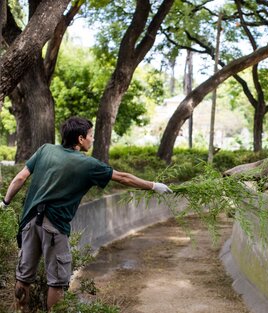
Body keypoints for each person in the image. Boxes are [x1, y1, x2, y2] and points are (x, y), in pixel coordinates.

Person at [0, 117, 172, 312]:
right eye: (91, 135)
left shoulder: (45, 149)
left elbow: (20, 177)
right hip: (54, 227)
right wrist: (153, 186)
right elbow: (123, 177)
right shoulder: (88, 164)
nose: (93, 139)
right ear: (80, 139)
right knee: (56, 282)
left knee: (23, 277)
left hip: (30, 222)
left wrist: (5, 202)